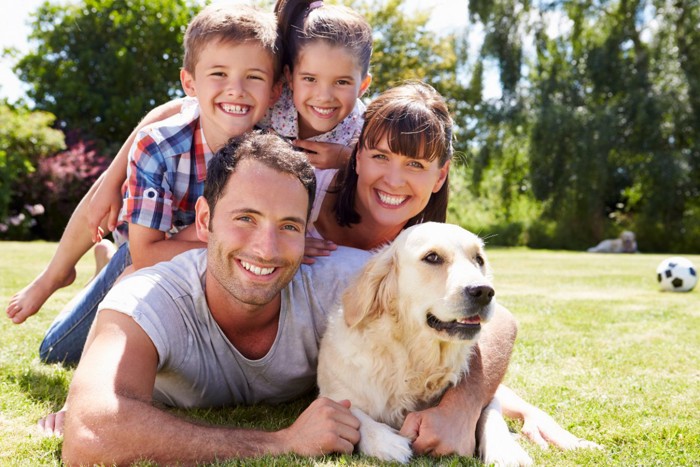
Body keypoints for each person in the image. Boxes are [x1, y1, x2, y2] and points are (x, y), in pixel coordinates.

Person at [60, 132, 514, 464]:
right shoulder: (148, 300)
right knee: (60, 345)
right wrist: (280, 443)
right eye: (245, 218)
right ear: (204, 220)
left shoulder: (332, 278)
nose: (267, 248)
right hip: (98, 314)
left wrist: (465, 405)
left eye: (290, 226)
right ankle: (105, 266)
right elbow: (89, 432)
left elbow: (496, 321)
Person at [302, 80, 601, 453]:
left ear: (440, 176)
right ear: (356, 158)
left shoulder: (426, 240)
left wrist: (497, 411)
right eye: (380, 156)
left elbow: (482, 329)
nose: (395, 179)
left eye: (415, 164)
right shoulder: (303, 204)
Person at [37, 3, 283, 364]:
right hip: (144, 256)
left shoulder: (273, 155)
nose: (236, 90)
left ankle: (104, 271)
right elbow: (148, 253)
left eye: (254, 77)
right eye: (218, 73)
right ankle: (104, 272)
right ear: (189, 83)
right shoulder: (159, 145)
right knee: (56, 352)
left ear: (275, 91)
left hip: (200, 262)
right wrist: (232, 244)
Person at [261, 0, 373, 168]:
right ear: (289, 77)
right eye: (310, 79)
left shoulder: (363, 132)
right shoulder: (271, 103)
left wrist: (347, 159)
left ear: (363, 86)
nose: (324, 97)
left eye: (342, 82)